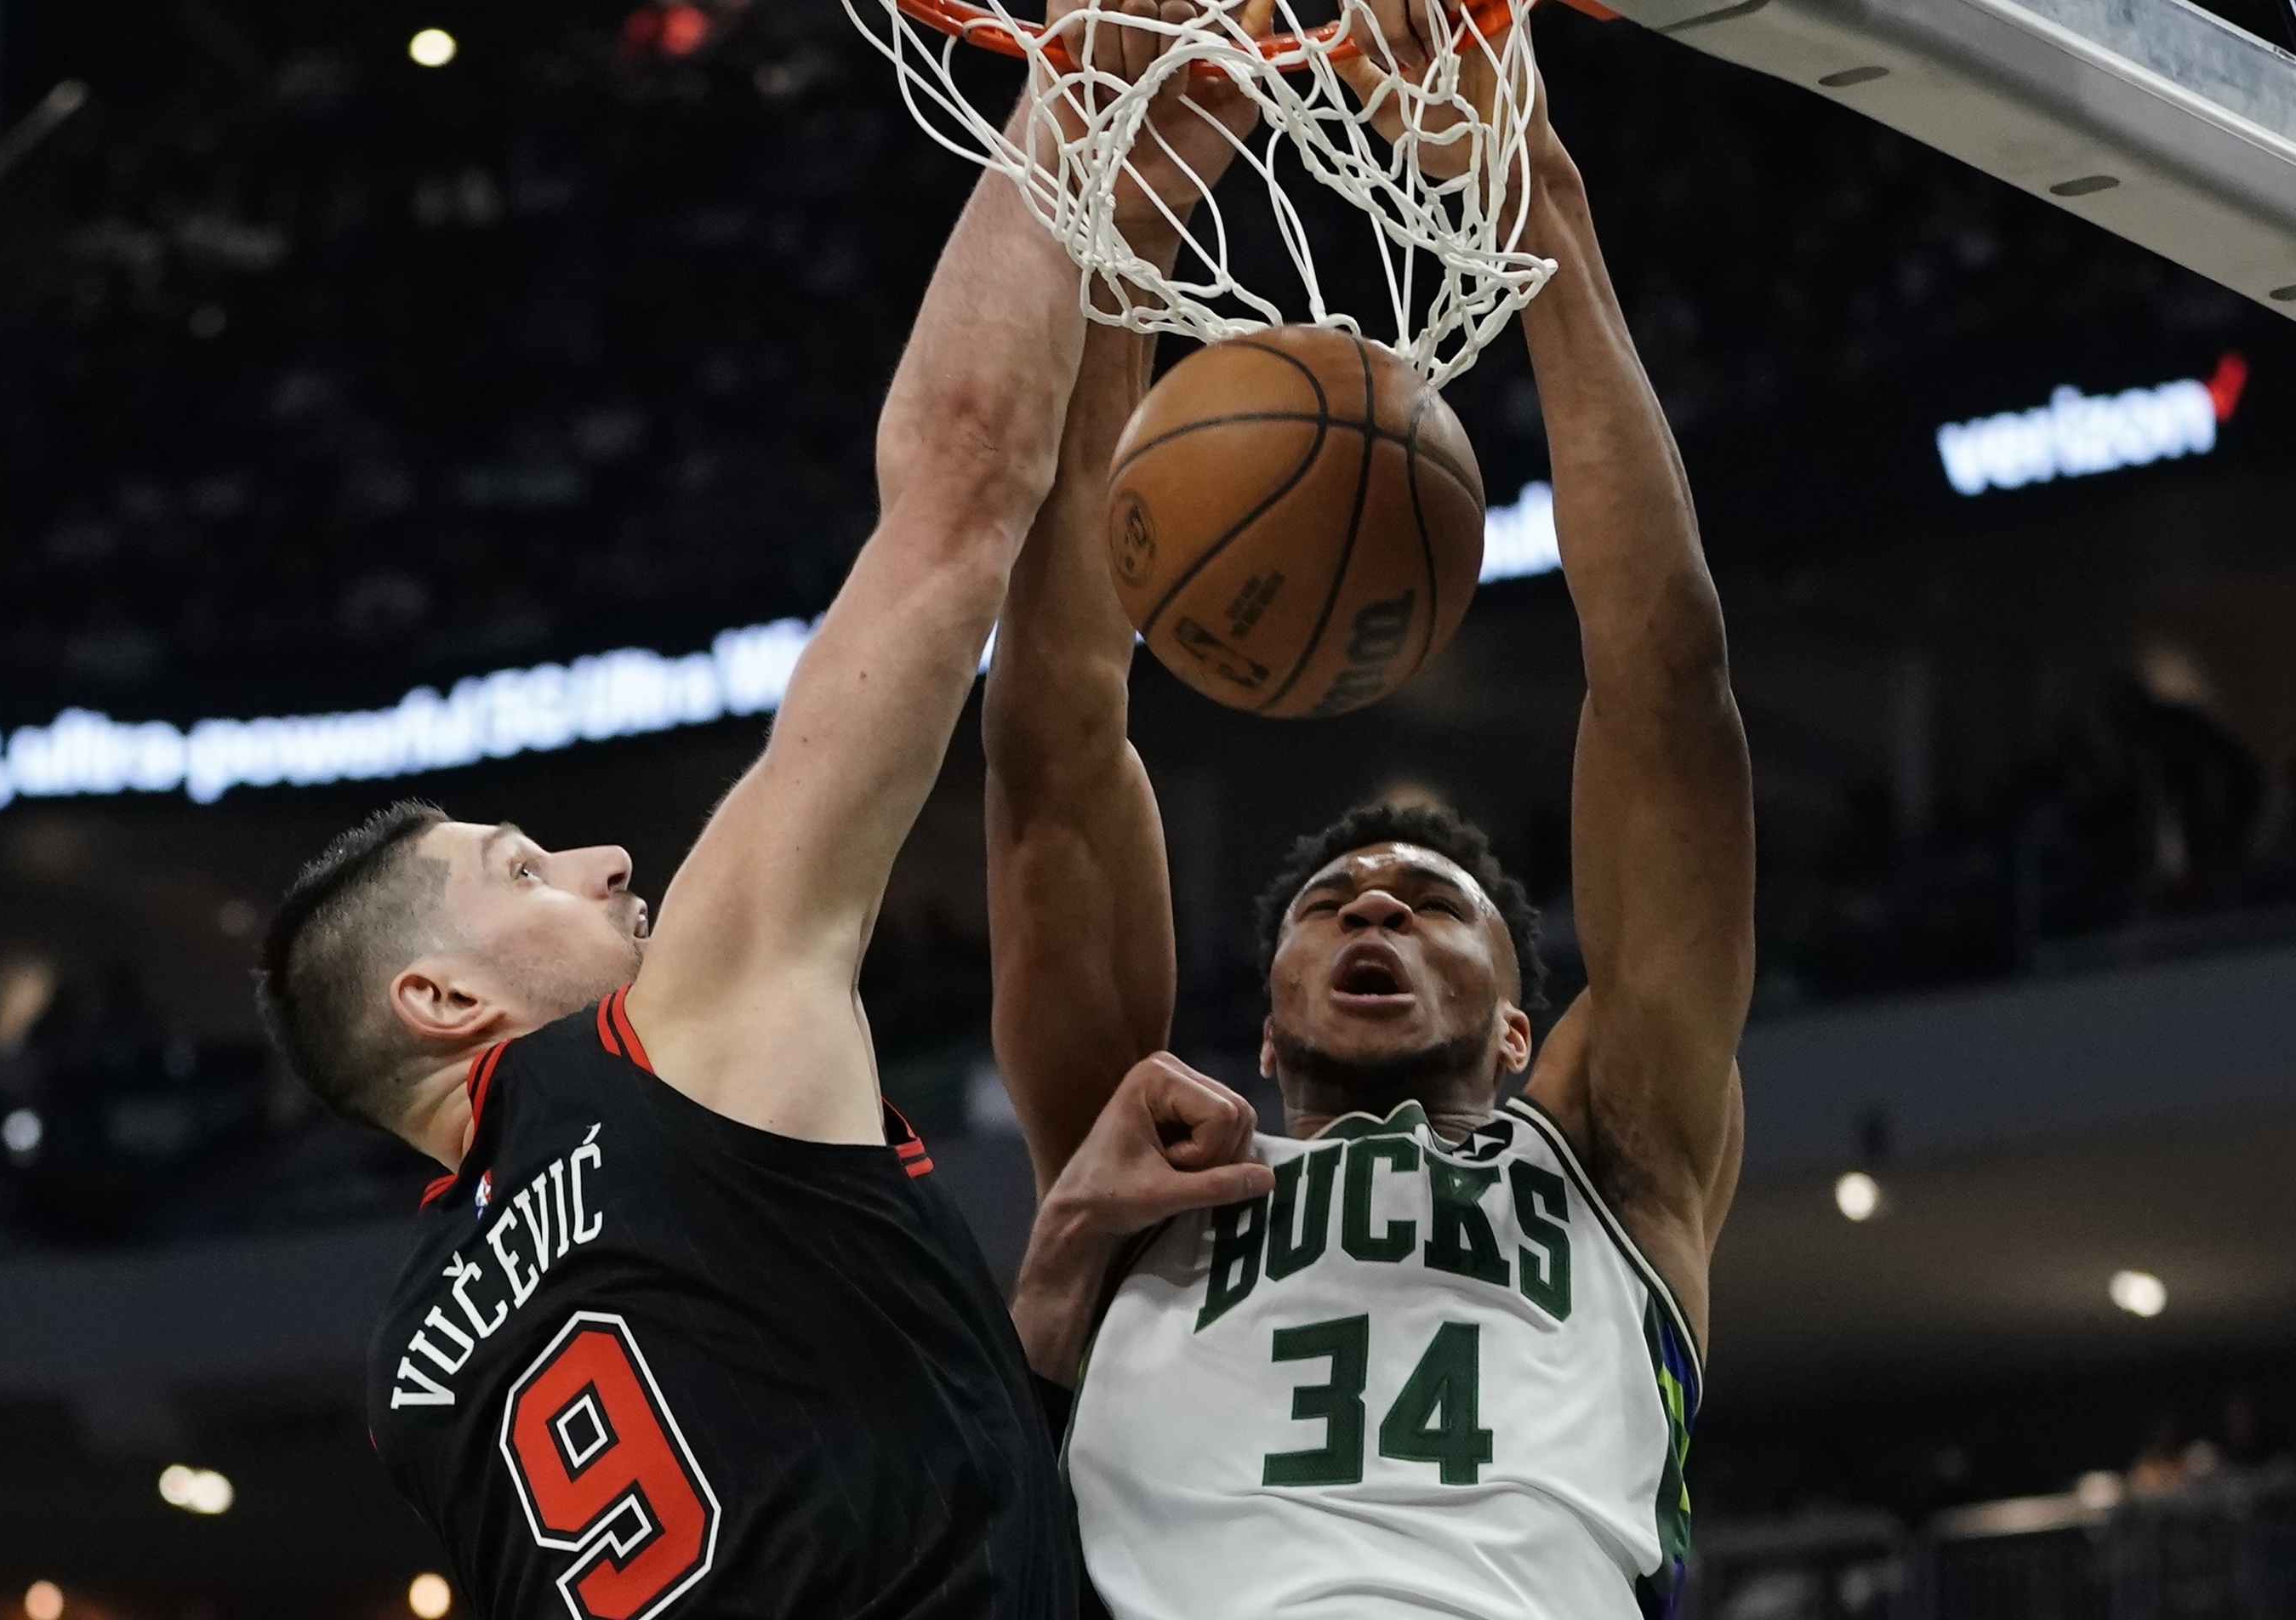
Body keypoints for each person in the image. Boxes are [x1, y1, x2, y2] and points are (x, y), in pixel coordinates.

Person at [251, 34, 1264, 1619]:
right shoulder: (665, 1046)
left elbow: (847, 1464)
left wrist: (1060, 1262)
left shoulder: (416, 1384)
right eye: (524, 870)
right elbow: (954, 501)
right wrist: (1077, 96)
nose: (606, 863)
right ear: (444, 1003)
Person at [983, 14, 1754, 1618]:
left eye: (1427, 901)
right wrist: (1116, 260)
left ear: (1531, 1032)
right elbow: (1054, 753)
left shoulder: (1621, 1157)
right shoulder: (1145, 1183)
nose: (1376, 909)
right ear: (1257, 1038)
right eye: (1333, 901)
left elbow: (1669, 698)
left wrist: (1542, 218)